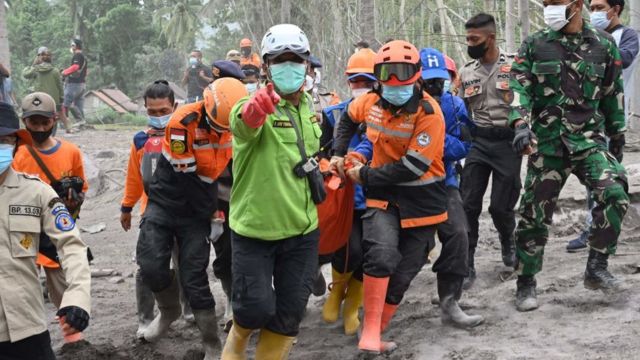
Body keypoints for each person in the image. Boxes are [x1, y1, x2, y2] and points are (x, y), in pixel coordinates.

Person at [509, 0, 628, 312]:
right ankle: (526, 281)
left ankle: (597, 268)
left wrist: (617, 134)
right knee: (534, 215)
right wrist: (520, 124)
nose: (549, 8)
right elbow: (518, 85)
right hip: (547, 145)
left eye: (555, 3)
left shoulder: (603, 45)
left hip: (588, 142)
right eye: (546, 3)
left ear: (576, 5)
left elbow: (612, 92)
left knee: (615, 192)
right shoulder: (535, 44)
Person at [332, 40, 448, 354]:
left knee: (404, 272)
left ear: (418, 74)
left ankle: (379, 328)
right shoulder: (369, 101)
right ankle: (369, 332)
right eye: (387, 73)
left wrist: (362, 175)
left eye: (403, 73)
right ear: (378, 76)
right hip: (382, 197)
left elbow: (412, 166)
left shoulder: (429, 113)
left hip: (424, 202)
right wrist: (338, 154)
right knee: (380, 255)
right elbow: (346, 119)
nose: (395, 81)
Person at [221, 24, 320, 360]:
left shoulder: (310, 108)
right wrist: (254, 110)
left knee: (290, 313)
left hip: (303, 230)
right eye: (280, 60)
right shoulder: (254, 104)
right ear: (265, 66)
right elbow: (242, 125)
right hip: (255, 230)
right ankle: (235, 344)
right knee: (253, 309)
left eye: (295, 59)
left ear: (307, 64)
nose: (288, 66)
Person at [137, 78, 247, 359]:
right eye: (217, 125)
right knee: (150, 263)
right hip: (167, 200)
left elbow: (227, 174)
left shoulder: (238, 125)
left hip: (200, 207)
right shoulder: (180, 123)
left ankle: (211, 343)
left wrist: (218, 213)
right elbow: (187, 179)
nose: (221, 132)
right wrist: (212, 214)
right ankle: (169, 311)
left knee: (195, 276)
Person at [0, 102, 90, 359]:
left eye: (4, 140)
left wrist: (77, 299)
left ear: (16, 144)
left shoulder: (36, 193)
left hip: (27, 329)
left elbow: (71, 245)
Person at [119, 80, 196, 338]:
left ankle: (189, 312)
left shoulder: (187, 134)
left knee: (185, 263)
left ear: (174, 107)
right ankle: (145, 318)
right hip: (151, 212)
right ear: (145, 109)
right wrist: (126, 206)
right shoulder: (140, 140)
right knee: (147, 265)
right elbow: (134, 176)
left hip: (185, 211)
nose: (158, 116)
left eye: (164, 111)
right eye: (152, 112)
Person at [567, 0, 639, 251]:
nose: (594, 12)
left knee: (612, 179)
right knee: (594, 180)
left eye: (599, 7)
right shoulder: (585, 36)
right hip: (586, 117)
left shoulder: (627, 36)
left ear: (615, 9)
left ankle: (605, 233)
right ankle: (594, 230)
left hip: (613, 118)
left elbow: (624, 60)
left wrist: (595, 41)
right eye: (592, 7)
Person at [420, 47, 484, 328]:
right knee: (404, 248)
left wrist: (433, 144)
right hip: (404, 185)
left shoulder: (455, 106)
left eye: (439, 80)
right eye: (428, 81)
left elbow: (465, 144)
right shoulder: (400, 105)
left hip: (444, 180)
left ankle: (449, 300)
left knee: (459, 233)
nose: (435, 86)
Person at [458, 13, 520, 289]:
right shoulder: (466, 72)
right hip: (479, 143)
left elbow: (527, 101)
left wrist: (525, 130)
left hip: (508, 143)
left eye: (475, 39)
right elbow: (459, 110)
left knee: (500, 206)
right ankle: (467, 262)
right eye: (468, 38)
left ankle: (509, 241)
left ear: (491, 38)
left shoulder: (515, 66)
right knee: (468, 204)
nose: (470, 43)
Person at [318, 47, 377, 336]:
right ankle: (335, 293)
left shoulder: (389, 114)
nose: (361, 87)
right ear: (348, 81)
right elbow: (322, 153)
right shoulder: (332, 115)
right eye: (356, 81)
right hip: (344, 198)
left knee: (371, 254)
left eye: (368, 81)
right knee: (347, 250)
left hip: (377, 195)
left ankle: (353, 306)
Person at [23, 46, 72, 133]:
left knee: (38, 114)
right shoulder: (55, 71)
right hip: (54, 99)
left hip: (39, 98)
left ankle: (38, 130)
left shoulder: (35, 70)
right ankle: (54, 133)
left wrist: (33, 64)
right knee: (54, 115)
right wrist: (61, 97)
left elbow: (25, 74)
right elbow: (59, 86)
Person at [306, 55, 340, 123]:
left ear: (316, 75)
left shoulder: (330, 97)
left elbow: (339, 120)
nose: (305, 75)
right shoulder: (283, 97)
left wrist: (319, 117)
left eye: (309, 71)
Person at [62, 39, 88, 123]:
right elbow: (86, 72)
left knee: (66, 103)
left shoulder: (78, 55)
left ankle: (66, 122)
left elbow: (75, 67)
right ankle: (82, 123)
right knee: (79, 105)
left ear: (75, 46)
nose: (71, 47)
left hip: (74, 84)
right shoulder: (83, 57)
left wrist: (64, 72)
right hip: (82, 85)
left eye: (72, 45)